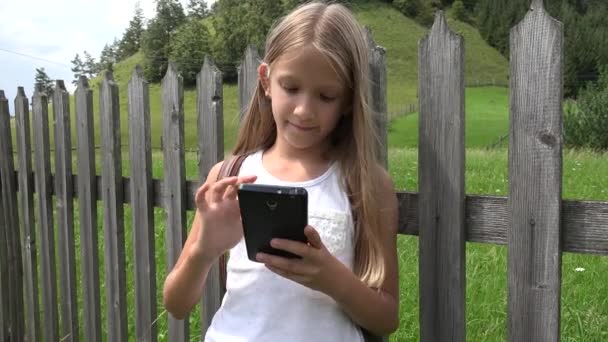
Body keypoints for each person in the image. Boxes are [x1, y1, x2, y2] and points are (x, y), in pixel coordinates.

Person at [163, 2, 399, 340]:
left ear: (347, 100)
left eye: (326, 96)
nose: (304, 110)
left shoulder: (366, 184)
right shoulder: (230, 176)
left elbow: (387, 317)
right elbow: (176, 304)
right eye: (291, 88)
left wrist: (334, 280)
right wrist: (204, 251)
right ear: (266, 80)